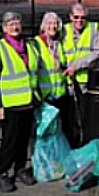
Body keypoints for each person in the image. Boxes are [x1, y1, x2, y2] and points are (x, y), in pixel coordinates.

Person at [0, 12, 37, 192]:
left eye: (17, 23)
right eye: (10, 25)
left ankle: (20, 169)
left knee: (23, 139)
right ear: (4, 29)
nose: (15, 27)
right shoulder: (0, 49)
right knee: (10, 141)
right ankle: (1, 172)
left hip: (28, 102)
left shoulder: (29, 45)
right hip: (10, 105)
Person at [32, 12, 77, 148]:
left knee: (62, 129)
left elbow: (65, 63)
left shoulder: (60, 43)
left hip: (61, 94)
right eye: (50, 23)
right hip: (46, 96)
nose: (53, 26)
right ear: (44, 26)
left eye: (56, 24)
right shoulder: (37, 43)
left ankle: (62, 159)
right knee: (45, 131)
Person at [62, 3, 99, 90]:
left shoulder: (93, 29)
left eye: (83, 17)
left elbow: (97, 52)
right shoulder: (64, 30)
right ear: (71, 17)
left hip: (86, 81)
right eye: (76, 17)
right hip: (67, 80)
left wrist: (76, 66)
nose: (79, 20)